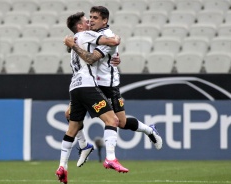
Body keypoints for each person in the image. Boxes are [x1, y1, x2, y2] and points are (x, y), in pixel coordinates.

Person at [65, 6, 163, 169]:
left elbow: (90, 58)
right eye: (90, 17)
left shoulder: (107, 36)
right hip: (91, 83)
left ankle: (149, 131)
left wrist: (73, 45)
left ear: (105, 20)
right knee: (69, 114)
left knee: (121, 123)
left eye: (95, 18)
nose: (91, 20)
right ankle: (84, 146)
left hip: (108, 86)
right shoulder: (93, 35)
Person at [56, 12, 128, 184]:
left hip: (74, 87)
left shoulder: (75, 40)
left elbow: (79, 49)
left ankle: (62, 166)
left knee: (72, 128)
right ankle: (110, 158)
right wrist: (116, 37)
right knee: (113, 121)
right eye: (86, 21)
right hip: (88, 86)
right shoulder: (85, 34)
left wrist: (113, 58)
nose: (89, 22)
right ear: (80, 27)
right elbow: (112, 41)